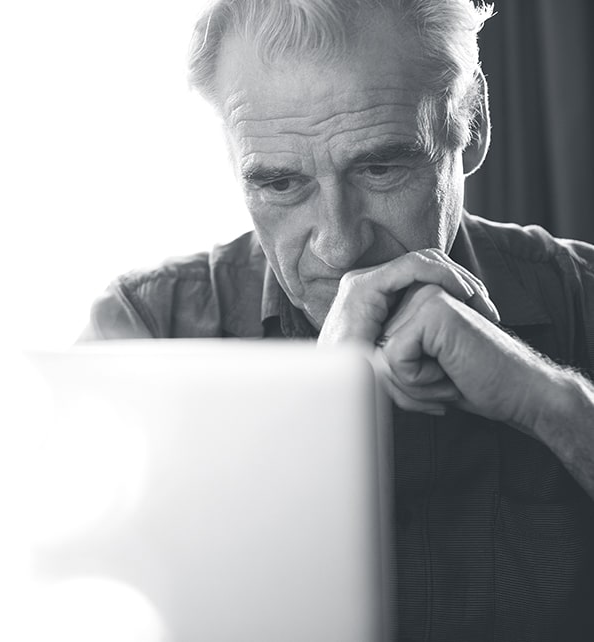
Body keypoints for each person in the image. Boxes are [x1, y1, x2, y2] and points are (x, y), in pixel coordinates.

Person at [79, 0, 594, 639]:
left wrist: (549, 402)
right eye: (280, 185)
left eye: (380, 168)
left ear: (473, 123)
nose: (339, 247)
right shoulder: (145, 332)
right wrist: (313, 428)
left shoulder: (583, 296)